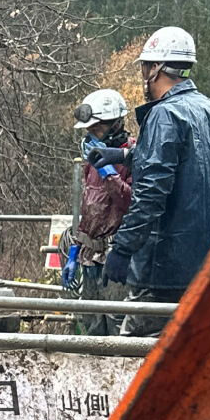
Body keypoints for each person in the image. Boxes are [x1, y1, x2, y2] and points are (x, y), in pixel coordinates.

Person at [89, 26, 210, 337]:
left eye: (144, 67)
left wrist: (123, 249)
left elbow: (152, 193)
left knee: (133, 356)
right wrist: (122, 155)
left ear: (154, 69)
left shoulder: (164, 115)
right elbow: (187, 164)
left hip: (165, 268)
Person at [61, 89, 133, 335]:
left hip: (116, 259)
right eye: (88, 131)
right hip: (89, 258)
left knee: (117, 326)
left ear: (115, 125)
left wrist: (110, 173)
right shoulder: (91, 163)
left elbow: (132, 203)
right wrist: (73, 253)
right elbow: (89, 210)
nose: (91, 136)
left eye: (96, 130)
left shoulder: (134, 156)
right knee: (90, 325)